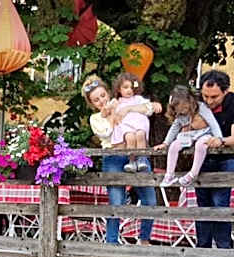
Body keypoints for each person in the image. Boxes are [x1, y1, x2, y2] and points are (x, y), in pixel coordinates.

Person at [84, 75, 161, 245]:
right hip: (113, 157)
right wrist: (111, 116)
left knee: (150, 199)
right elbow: (105, 133)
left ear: (109, 93)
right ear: (92, 104)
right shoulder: (95, 118)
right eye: (96, 100)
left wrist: (128, 109)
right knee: (116, 201)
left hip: (135, 151)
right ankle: (112, 242)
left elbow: (147, 108)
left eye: (103, 96)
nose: (101, 101)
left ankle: (144, 239)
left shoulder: (122, 103)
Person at [197, 69, 234, 248]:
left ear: (226, 91)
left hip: (229, 155)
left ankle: (224, 248)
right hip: (203, 156)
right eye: (205, 96)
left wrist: (220, 141)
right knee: (202, 202)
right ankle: (202, 248)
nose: (209, 101)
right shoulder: (197, 103)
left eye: (214, 97)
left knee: (219, 201)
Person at [154, 85, 221, 187]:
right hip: (189, 135)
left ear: (190, 101)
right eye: (179, 110)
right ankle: (169, 174)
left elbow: (213, 123)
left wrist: (218, 137)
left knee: (201, 145)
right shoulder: (179, 115)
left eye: (185, 107)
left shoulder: (201, 107)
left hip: (205, 133)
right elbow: (174, 128)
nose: (183, 111)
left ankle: (193, 173)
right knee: (174, 146)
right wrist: (165, 143)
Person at [106, 72, 153, 172]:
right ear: (119, 89)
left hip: (139, 124)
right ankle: (131, 161)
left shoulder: (138, 99)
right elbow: (108, 110)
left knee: (140, 135)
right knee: (129, 137)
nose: (129, 90)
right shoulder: (117, 101)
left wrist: (134, 108)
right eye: (125, 87)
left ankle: (142, 158)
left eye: (132, 88)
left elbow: (148, 108)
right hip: (126, 126)